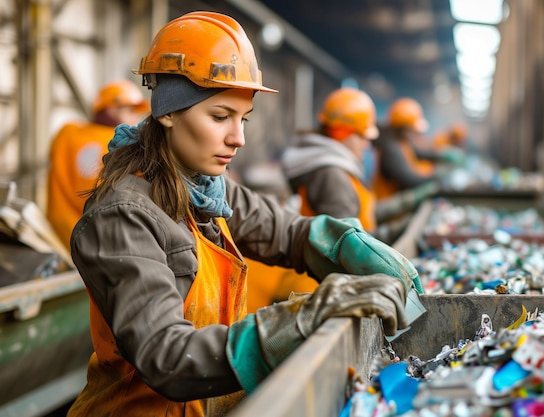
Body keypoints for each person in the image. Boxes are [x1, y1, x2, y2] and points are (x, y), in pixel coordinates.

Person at [66, 11, 423, 417]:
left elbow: (283, 231)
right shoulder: (123, 217)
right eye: (220, 117)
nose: (238, 138)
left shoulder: (205, 190)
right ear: (167, 112)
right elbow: (166, 356)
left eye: (242, 118)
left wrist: (341, 242)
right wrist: (303, 318)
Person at [281, 87, 438, 244]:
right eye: (362, 137)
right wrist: (394, 231)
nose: (366, 145)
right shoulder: (332, 175)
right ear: (342, 133)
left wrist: (405, 203)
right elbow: (348, 244)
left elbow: (363, 213)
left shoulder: (339, 166)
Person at [46, 79, 149, 249]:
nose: (134, 117)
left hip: (63, 230)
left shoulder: (67, 133)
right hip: (106, 236)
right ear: (111, 108)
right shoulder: (125, 145)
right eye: (130, 110)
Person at [372, 97, 451, 200]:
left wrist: (441, 155)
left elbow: (419, 153)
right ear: (403, 127)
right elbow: (408, 179)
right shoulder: (391, 148)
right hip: (390, 206)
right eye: (411, 129)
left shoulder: (402, 141)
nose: (414, 133)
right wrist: (435, 175)